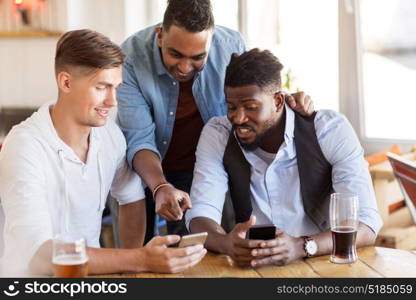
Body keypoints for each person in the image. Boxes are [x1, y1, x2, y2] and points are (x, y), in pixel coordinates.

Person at [0, 29, 206, 276]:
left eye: (116, 88)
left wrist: (130, 273)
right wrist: (140, 259)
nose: (112, 101)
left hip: (91, 279)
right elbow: (42, 255)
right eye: (101, 87)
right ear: (66, 82)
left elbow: (131, 199)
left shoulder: (110, 135)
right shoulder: (24, 145)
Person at [116, 0, 314, 242]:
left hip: (202, 168)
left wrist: (284, 104)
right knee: (143, 254)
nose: (185, 67)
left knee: (194, 251)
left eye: (198, 57)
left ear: (211, 40)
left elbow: (255, 96)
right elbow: (139, 138)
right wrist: (160, 186)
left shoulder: (231, 46)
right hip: (142, 167)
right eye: (175, 54)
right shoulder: (131, 57)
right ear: (160, 36)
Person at [186, 49, 383, 267]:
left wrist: (302, 246)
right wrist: (227, 244)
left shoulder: (328, 130)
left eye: (250, 107)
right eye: (231, 107)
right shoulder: (219, 134)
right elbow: (200, 214)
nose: (238, 118)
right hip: (252, 271)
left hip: (321, 263)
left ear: (278, 101)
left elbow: (366, 224)